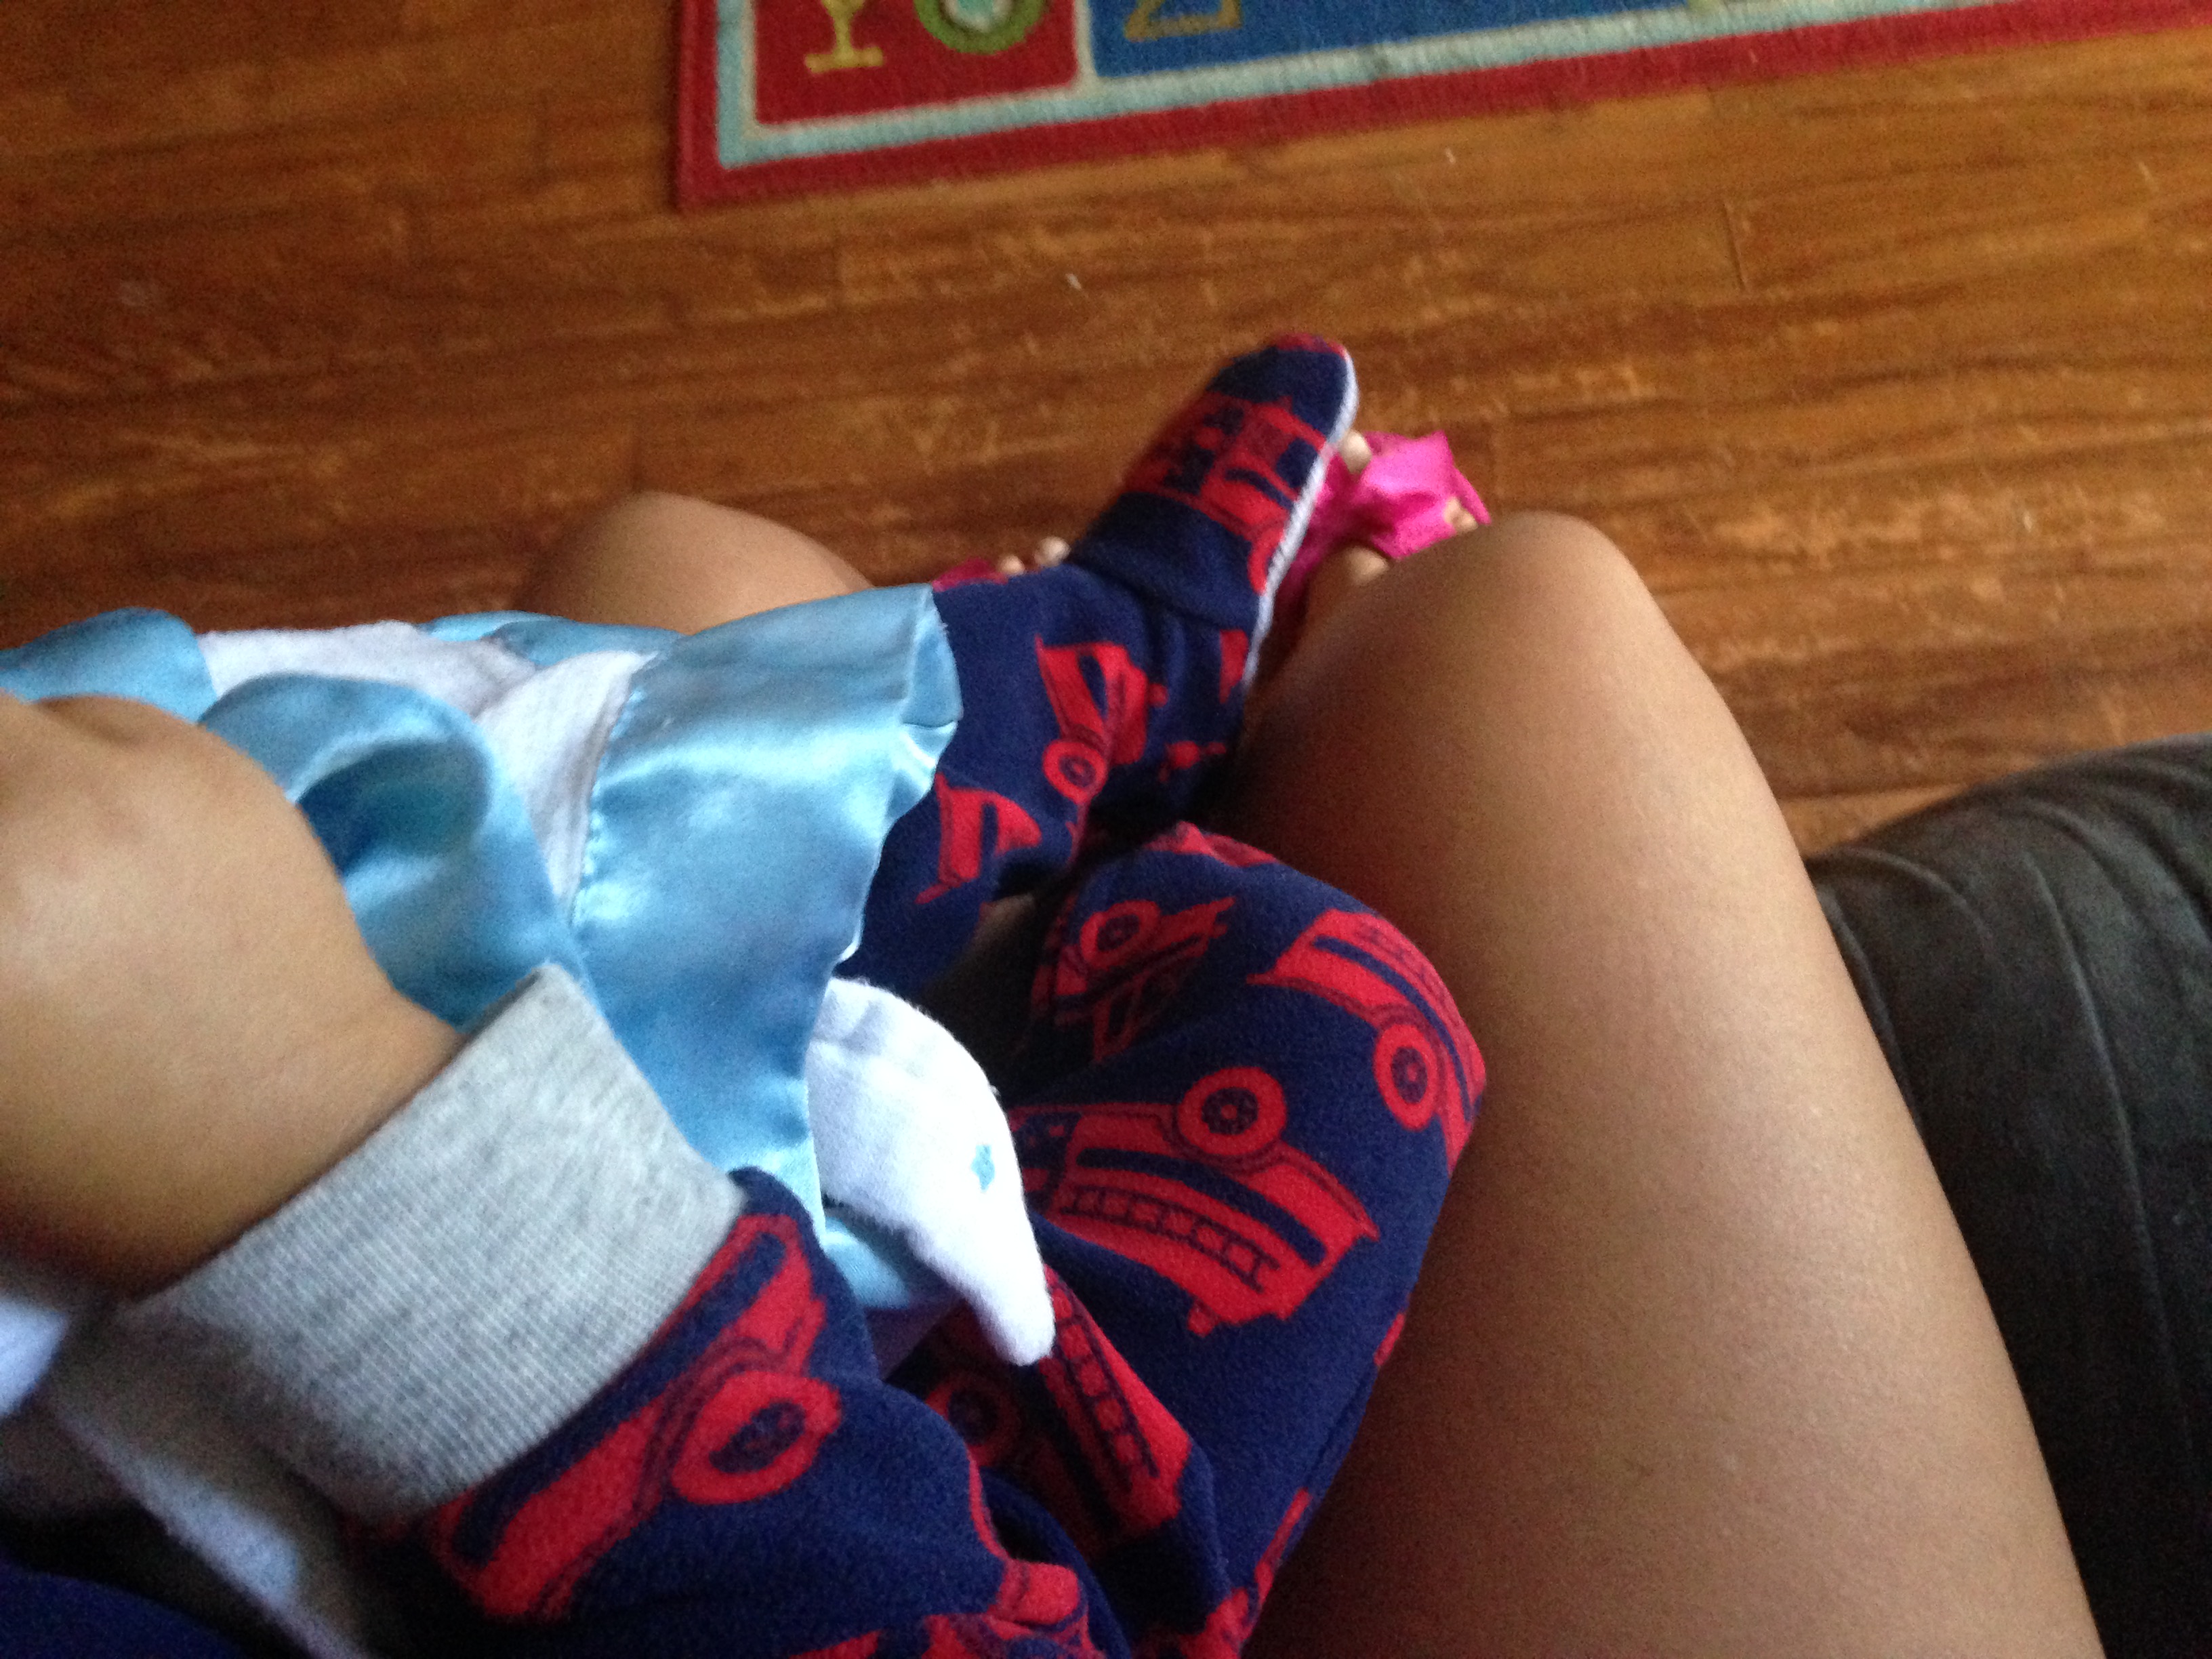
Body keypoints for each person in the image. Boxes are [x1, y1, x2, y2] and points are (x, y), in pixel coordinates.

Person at [0, 336, 2114, 1656]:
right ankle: (1138, 680)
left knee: (687, 583)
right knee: (1494, 666)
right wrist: (339, 1163)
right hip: (759, 1505)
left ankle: (1096, 733)